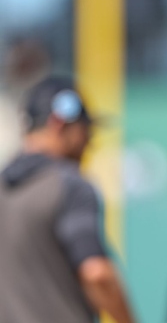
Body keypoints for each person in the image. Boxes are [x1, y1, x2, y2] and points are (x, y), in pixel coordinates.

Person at [0, 76, 136, 323]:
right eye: (86, 130)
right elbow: (96, 274)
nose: (90, 141)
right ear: (59, 123)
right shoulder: (69, 186)